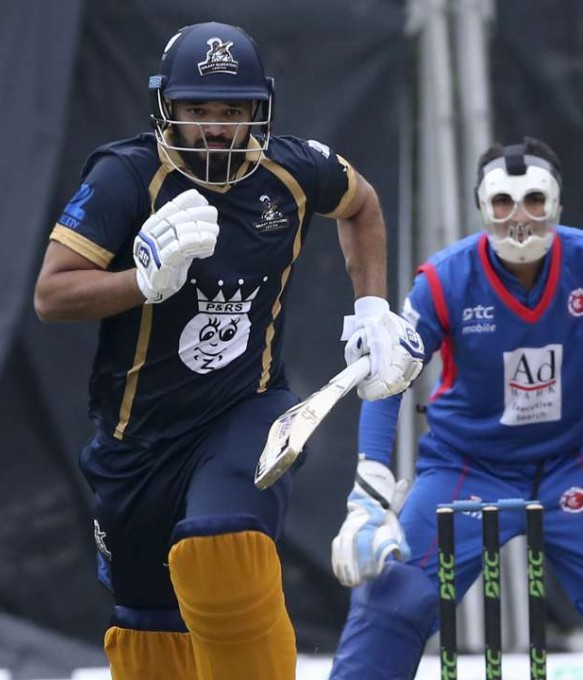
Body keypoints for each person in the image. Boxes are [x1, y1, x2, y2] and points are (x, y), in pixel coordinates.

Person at [33, 21, 423, 680]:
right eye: (198, 110)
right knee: (148, 639)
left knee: (223, 550)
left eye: (233, 110)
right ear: (166, 107)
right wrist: (141, 282)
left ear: (258, 110)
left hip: (245, 410)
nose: (216, 127)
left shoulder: (294, 169)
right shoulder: (126, 175)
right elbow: (51, 294)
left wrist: (372, 309)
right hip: (137, 441)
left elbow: (361, 205)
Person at [326, 137, 583, 679]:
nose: (519, 218)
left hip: (573, 462)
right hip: (468, 466)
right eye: (503, 202)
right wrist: (370, 484)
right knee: (390, 596)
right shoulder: (444, 279)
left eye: (534, 200)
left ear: (557, 203)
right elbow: (390, 373)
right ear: (482, 207)